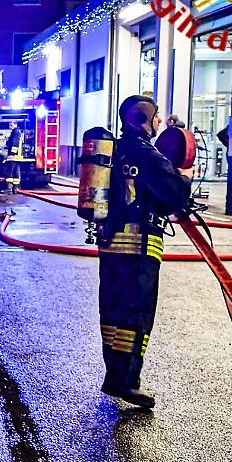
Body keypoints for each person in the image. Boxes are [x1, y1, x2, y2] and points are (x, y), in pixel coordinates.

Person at [97, 95, 192, 408]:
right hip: (139, 245)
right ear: (143, 120)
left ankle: (114, 376)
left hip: (110, 242)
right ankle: (128, 382)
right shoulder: (147, 154)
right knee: (136, 314)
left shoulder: (115, 150)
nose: (159, 123)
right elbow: (173, 195)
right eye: (155, 117)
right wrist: (184, 179)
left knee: (112, 311)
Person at [3, 121, 26, 191]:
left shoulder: (15, 133)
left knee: (10, 173)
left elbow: (14, 143)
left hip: (13, 157)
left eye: (11, 125)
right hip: (18, 157)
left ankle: (9, 188)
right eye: (9, 125)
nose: (10, 127)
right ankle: (15, 188)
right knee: (16, 173)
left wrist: (12, 153)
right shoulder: (18, 133)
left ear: (15, 125)